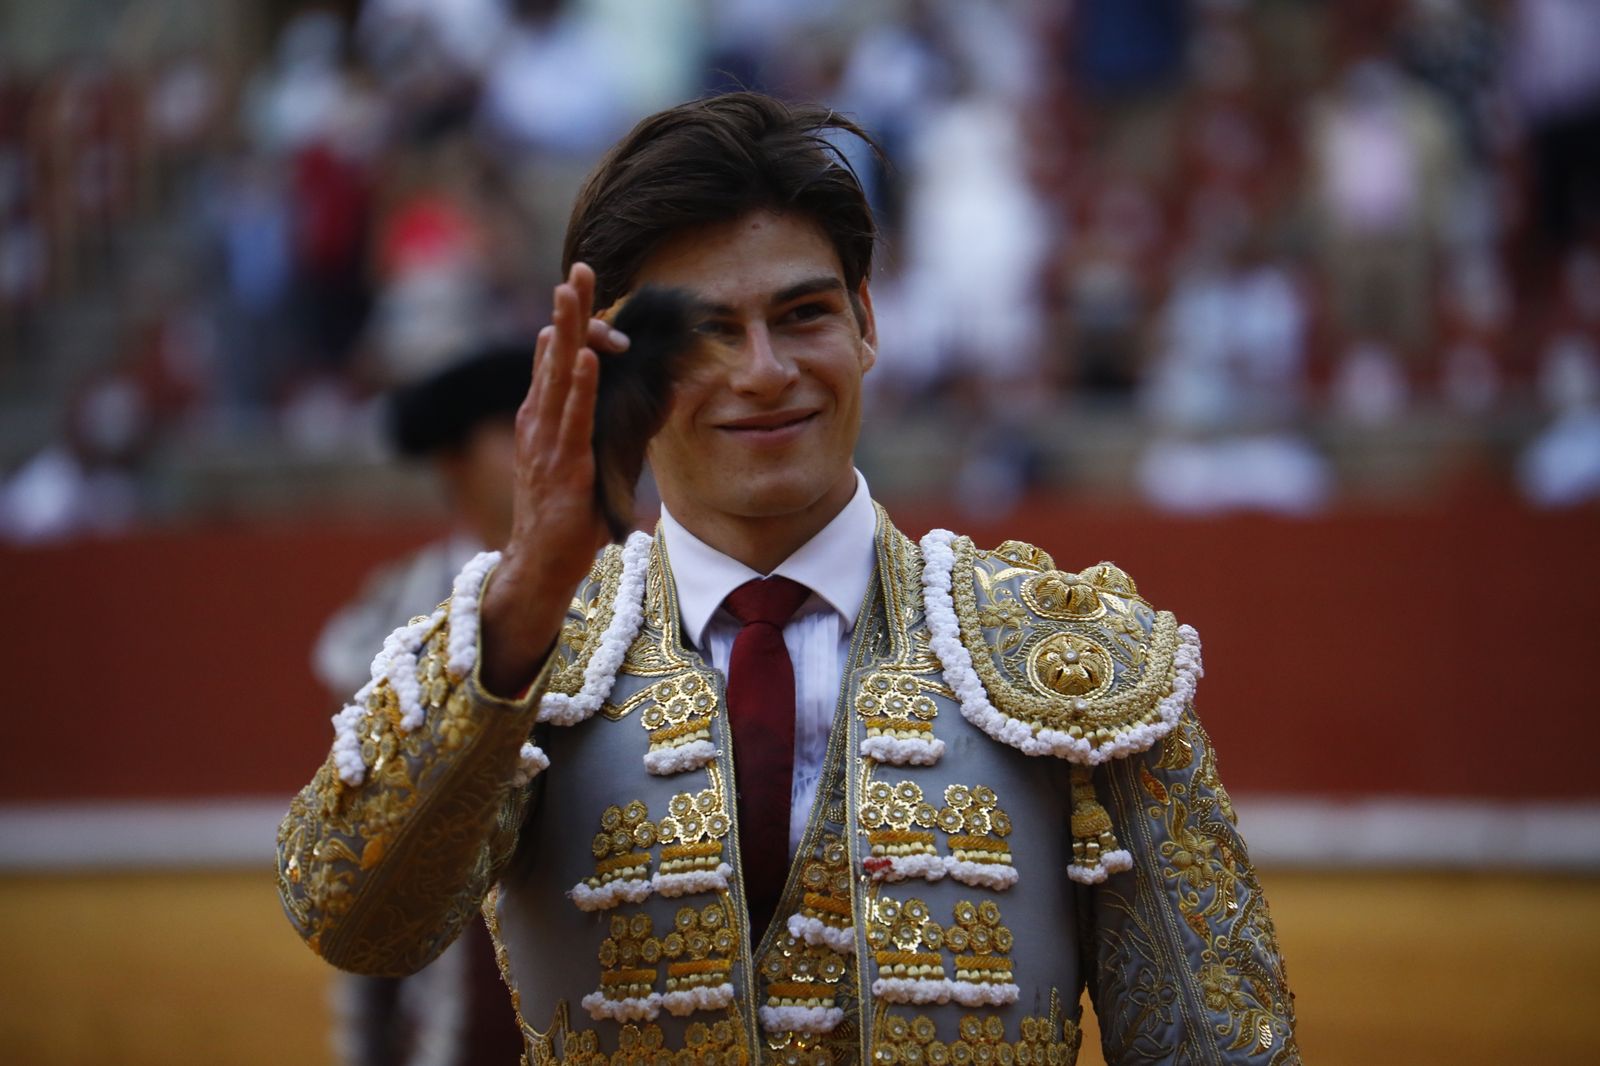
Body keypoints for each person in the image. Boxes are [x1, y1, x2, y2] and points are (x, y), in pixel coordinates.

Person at [277, 92, 1299, 1065]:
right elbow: (353, 917)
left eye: (801, 314)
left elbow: (1212, 1044)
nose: (763, 370)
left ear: (865, 323)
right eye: (706, 332)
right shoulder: (521, 653)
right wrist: (526, 603)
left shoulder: (1075, 662)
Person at [311, 345, 531, 1066]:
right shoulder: (395, 616)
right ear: (452, 460)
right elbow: (366, 867)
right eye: (513, 427)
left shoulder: (640, 584)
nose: (544, 443)